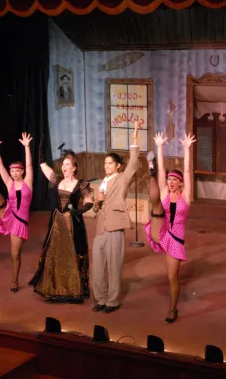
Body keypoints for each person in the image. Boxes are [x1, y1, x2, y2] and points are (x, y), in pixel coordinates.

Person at [28, 141, 93, 302]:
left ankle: (73, 290)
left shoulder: (81, 184)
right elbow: (43, 166)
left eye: (67, 164)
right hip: (57, 222)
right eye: (63, 164)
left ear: (74, 168)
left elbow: (89, 202)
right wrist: (41, 149)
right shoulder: (57, 180)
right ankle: (54, 288)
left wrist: (78, 211)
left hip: (72, 223)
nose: (64, 166)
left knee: (73, 254)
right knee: (54, 254)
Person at [144, 131, 196, 323]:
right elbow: (162, 171)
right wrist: (159, 147)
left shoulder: (185, 196)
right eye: (169, 179)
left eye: (175, 180)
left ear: (180, 183)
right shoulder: (165, 191)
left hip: (175, 240)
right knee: (157, 200)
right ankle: (150, 169)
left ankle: (173, 308)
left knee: (172, 277)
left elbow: (187, 171)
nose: (171, 182)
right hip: (162, 231)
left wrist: (186, 149)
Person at [91, 120, 140, 313]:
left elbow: (133, 164)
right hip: (100, 228)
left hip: (114, 226)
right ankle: (101, 298)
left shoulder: (122, 179)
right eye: (105, 163)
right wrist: (97, 201)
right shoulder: (101, 182)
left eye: (110, 163)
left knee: (114, 265)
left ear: (118, 166)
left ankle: (112, 300)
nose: (106, 166)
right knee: (98, 266)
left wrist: (134, 137)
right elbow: (96, 208)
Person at [0, 133, 33, 293]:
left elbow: (30, 165)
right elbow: (0, 167)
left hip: (20, 222)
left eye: (17, 170)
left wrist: (27, 147)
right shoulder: (10, 183)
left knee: (15, 254)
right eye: (12, 171)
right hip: (8, 214)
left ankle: (15, 280)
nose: (14, 173)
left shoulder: (28, 183)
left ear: (22, 172)